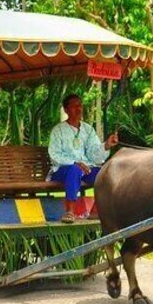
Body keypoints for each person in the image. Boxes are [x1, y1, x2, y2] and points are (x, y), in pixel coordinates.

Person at [49, 94, 118, 223]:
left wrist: (107, 145)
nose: (78, 108)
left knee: (104, 173)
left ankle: (96, 211)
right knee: (74, 169)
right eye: (74, 106)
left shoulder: (88, 129)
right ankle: (70, 212)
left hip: (85, 170)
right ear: (66, 110)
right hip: (62, 171)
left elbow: (94, 153)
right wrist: (75, 163)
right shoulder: (58, 130)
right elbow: (55, 155)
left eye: (80, 105)